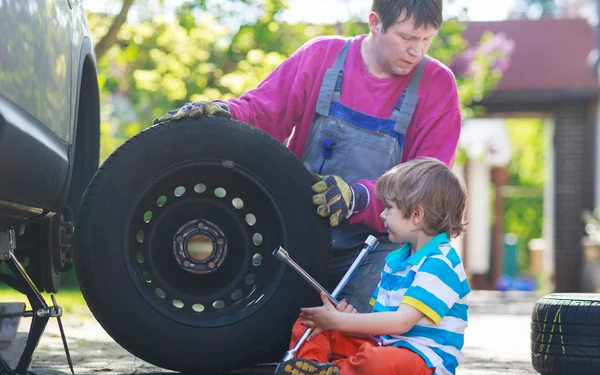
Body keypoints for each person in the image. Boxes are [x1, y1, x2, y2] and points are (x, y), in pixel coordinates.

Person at [153, 0, 461, 313]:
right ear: (375, 23)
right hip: (296, 233)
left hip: (378, 248)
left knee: (357, 337)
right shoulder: (321, 57)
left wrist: (359, 198)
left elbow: (426, 184)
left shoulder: (438, 86)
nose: (416, 51)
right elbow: (263, 113)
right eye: (407, 38)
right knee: (255, 323)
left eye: (426, 40)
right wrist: (224, 115)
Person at [274, 157, 470, 375]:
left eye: (389, 208)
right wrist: (345, 317)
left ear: (417, 215)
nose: (383, 216)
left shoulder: (441, 263)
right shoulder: (396, 261)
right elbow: (379, 322)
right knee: (312, 323)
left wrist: (341, 321)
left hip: (425, 361)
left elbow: (401, 322)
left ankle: (336, 373)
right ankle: (311, 367)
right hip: (383, 344)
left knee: (379, 364)